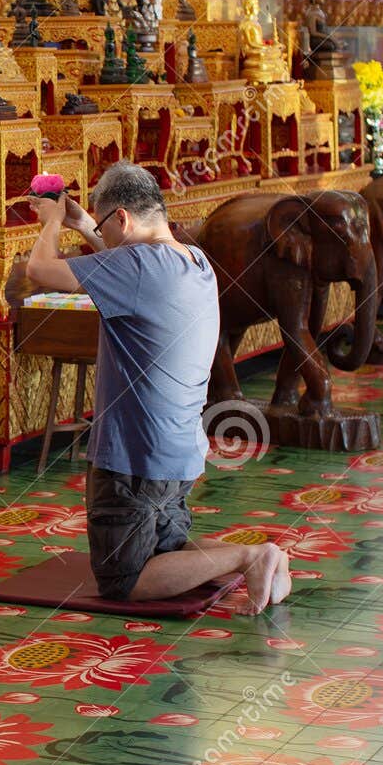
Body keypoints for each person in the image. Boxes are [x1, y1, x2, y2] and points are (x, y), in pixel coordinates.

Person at [23, 163, 291, 612]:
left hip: (135, 457)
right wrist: (87, 224)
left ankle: (254, 556)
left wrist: (51, 221)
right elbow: (123, 257)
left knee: (122, 580)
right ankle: (265, 560)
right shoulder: (194, 260)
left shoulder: (137, 265)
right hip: (178, 452)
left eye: (107, 225)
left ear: (124, 219)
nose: (103, 236)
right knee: (162, 553)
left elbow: (39, 269)